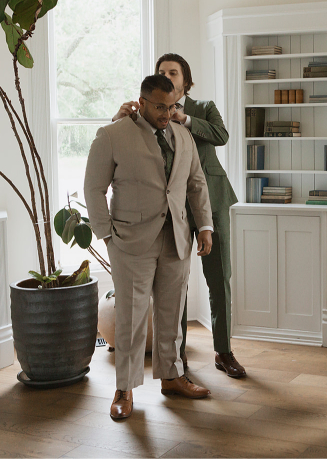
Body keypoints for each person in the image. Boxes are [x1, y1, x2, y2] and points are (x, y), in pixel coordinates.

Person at [85, 74, 215, 420]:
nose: (166, 113)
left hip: (177, 238)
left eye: (172, 106)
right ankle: (124, 389)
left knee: (172, 314)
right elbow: (94, 189)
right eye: (160, 106)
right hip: (130, 242)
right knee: (130, 316)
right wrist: (107, 235)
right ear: (142, 102)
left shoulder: (183, 136)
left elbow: (196, 183)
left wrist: (204, 226)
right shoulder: (112, 135)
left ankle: (172, 377)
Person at [113, 53, 244, 378]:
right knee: (175, 285)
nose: (167, 76)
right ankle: (177, 361)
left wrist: (183, 119)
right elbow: (119, 143)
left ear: (186, 79)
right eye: (161, 72)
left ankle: (224, 352)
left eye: (173, 72)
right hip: (169, 210)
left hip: (210, 201)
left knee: (219, 278)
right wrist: (119, 116)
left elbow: (221, 136)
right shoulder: (148, 111)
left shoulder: (203, 108)